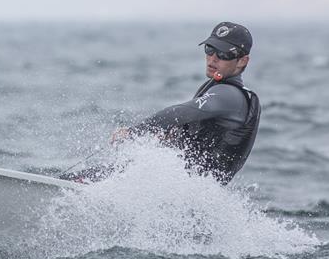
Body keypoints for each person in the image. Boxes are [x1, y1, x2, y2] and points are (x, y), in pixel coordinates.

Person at [63, 22, 261, 185]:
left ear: (243, 61)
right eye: (210, 49)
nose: (213, 58)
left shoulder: (230, 96)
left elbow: (183, 112)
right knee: (99, 173)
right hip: (180, 189)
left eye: (224, 54)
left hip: (184, 191)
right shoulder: (218, 90)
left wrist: (134, 132)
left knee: (84, 179)